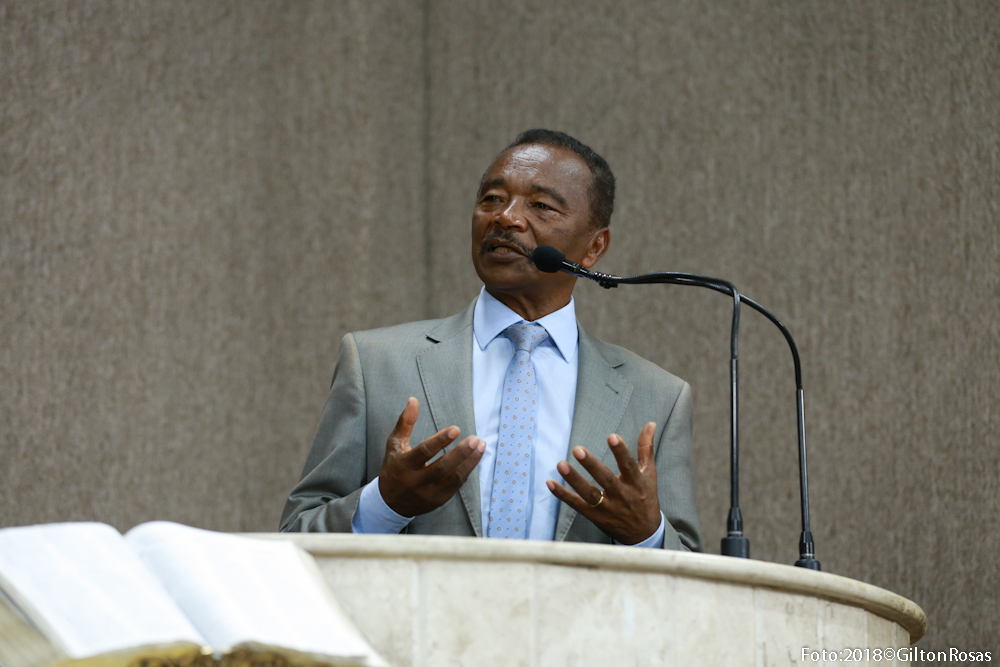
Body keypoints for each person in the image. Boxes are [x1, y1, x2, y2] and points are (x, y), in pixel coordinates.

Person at [280, 129, 701, 551]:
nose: (506, 217)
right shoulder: (375, 364)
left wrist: (645, 535)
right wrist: (384, 505)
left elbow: (691, 571)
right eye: (492, 199)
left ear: (594, 248)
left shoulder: (658, 397)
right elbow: (296, 536)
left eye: (541, 206)